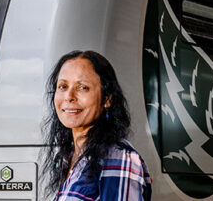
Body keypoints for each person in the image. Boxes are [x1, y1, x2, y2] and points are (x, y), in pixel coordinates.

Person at [42, 50, 151, 201]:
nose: (69, 96)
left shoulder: (118, 157)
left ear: (107, 99)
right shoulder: (72, 157)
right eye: (62, 86)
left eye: (82, 87)